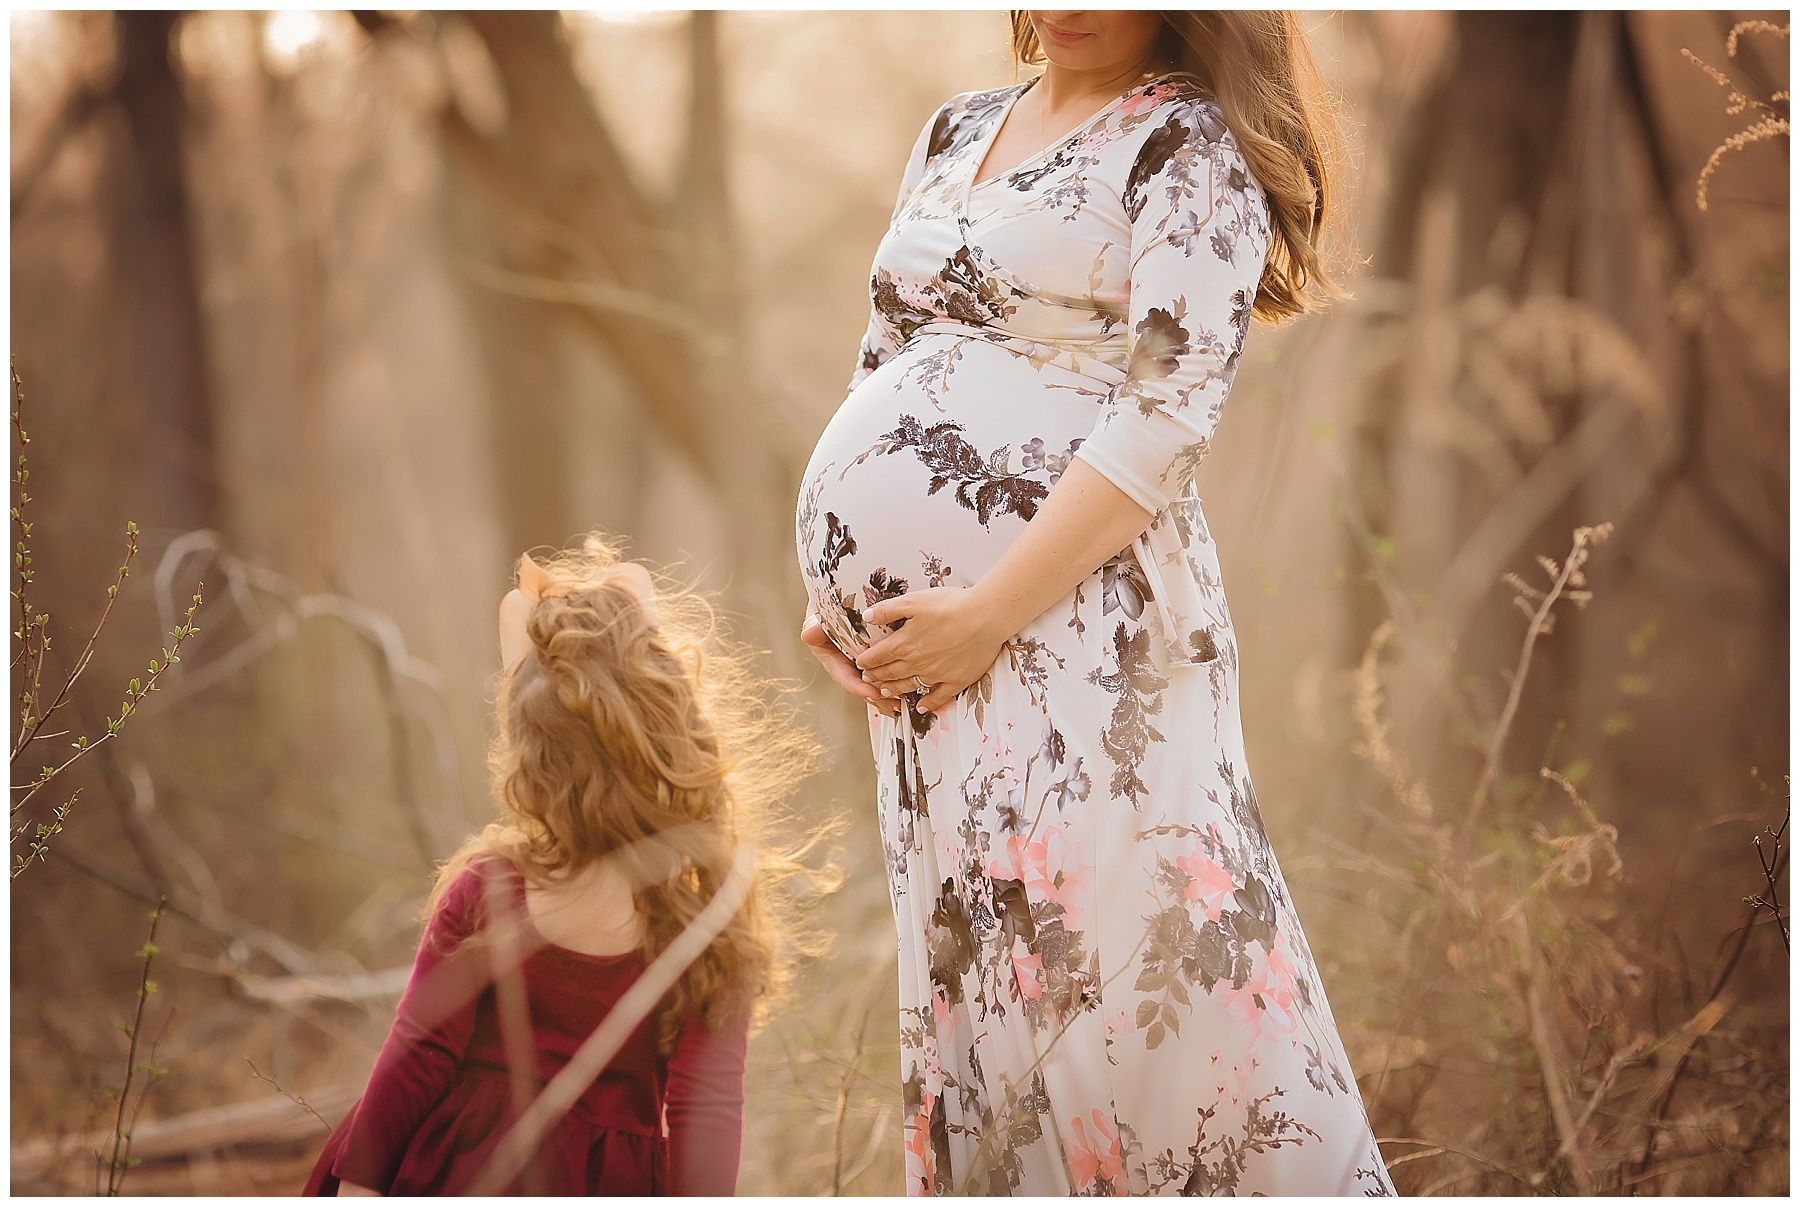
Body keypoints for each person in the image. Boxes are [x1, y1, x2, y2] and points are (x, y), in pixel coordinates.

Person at [795, 11, 1396, 1196]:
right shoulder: (957, 127)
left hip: (1084, 634)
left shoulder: (1189, 144)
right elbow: (886, 357)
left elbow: (1170, 416)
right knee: (987, 977)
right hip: (932, 671)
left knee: (1127, 963)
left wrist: (984, 615)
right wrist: (841, 598)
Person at [305, 534, 817, 1195]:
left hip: (453, 1168)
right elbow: (704, 1115)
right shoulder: (707, 922)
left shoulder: (491, 889)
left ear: (532, 770)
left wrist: (360, 1187)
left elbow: (419, 1054)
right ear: (675, 737)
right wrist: (632, 637)